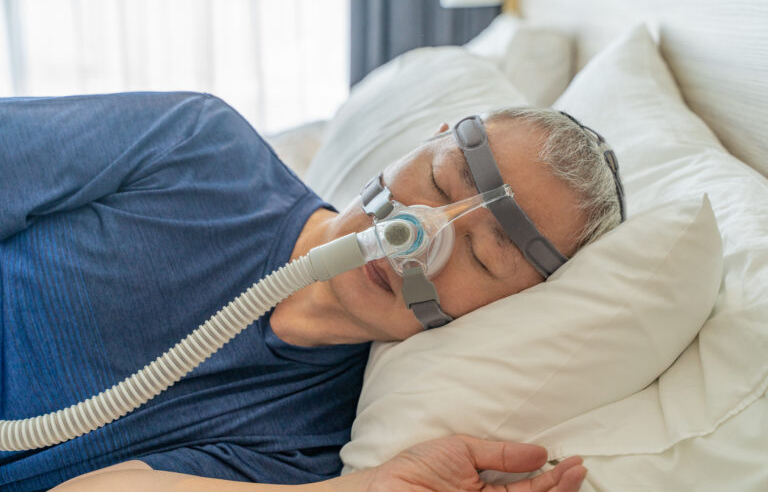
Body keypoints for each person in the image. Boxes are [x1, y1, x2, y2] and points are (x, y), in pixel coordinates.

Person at [0, 92, 621, 491]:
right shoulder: (197, 146)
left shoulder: (317, 446)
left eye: (485, 258)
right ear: (422, 142)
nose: (417, 233)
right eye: (437, 177)